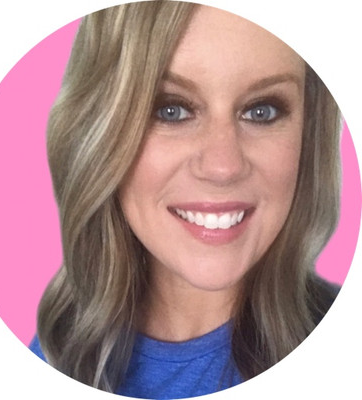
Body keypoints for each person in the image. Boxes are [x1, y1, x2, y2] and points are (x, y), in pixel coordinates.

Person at [30, 2, 341, 398]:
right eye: (171, 110)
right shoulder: (56, 354)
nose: (223, 167)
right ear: (101, 132)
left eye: (262, 111)